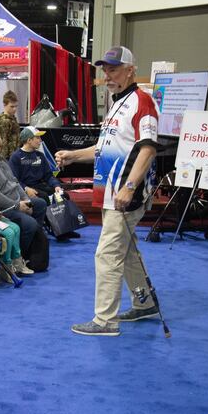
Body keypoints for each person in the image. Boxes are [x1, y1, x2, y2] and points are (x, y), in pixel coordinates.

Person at [55, 46, 161, 337]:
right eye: (105, 70)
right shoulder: (117, 103)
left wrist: (129, 187)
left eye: (113, 69)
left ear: (130, 70)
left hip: (124, 195)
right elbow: (105, 149)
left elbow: (148, 149)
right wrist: (73, 155)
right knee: (126, 253)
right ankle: (145, 303)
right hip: (110, 192)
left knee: (107, 254)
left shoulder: (142, 102)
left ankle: (105, 320)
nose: (107, 75)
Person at [0, 125, 47, 252]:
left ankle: (33, 247)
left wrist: (26, 201)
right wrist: (18, 205)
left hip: (15, 200)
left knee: (40, 204)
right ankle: (18, 256)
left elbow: (14, 181)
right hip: (0, 208)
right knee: (30, 224)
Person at [9, 126, 81, 241]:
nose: (40, 140)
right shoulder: (16, 157)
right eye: (37, 138)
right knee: (44, 198)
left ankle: (65, 229)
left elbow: (48, 175)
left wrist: (56, 185)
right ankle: (53, 229)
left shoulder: (40, 156)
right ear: (29, 140)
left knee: (63, 196)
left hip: (40, 185)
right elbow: (13, 179)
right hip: (26, 189)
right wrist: (26, 188)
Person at [0, 90, 20, 159]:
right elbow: (3, 142)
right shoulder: (4, 121)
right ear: (4, 105)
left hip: (14, 155)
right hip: (8, 158)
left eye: (16, 106)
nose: (14, 109)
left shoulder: (12, 119)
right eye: (12, 106)